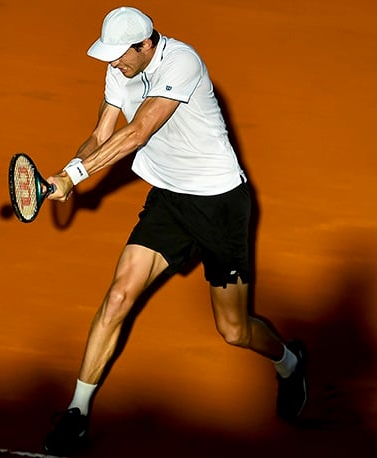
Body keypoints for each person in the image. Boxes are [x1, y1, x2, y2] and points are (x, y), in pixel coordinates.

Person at [42, 6, 308, 456]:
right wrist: (65, 172)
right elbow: (104, 131)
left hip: (219, 204)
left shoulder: (182, 62)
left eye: (121, 54)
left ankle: (289, 362)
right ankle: (78, 412)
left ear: (147, 45)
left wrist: (77, 178)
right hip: (168, 200)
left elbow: (139, 131)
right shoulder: (119, 69)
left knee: (234, 329)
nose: (114, 63)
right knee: (119, 296)